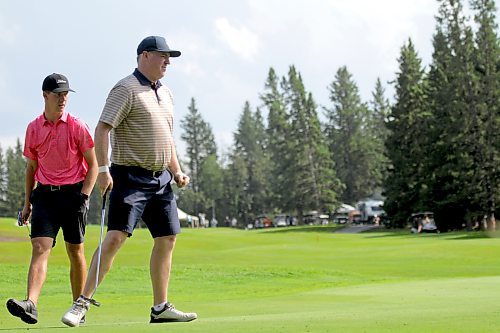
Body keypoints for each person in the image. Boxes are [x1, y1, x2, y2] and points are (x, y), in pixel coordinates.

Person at [61, 36, 197, 327]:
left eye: (169, 57)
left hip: (161, 180)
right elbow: (102, 129)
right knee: (115, 237)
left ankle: (160, 307)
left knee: (167, 237)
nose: (168, 62)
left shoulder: (167, 93)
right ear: (145, 56)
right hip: (130, 176)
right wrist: (103, 170)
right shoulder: (125, 88)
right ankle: (81, 303)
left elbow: (166, 140)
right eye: (163, 56)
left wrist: (177, 171)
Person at [6, 73, 98, 325]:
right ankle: (31, 304)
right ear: (45, 95)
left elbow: (93, 165)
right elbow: (31, 168)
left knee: (75, 250)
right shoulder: (33, 128)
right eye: (58, 94)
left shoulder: (77, 126)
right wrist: (27, 203)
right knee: (39, 247)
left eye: (66, 94)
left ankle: (79, 307)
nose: (63, 99)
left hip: (73, 194)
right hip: (45, 195)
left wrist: (84, 197)